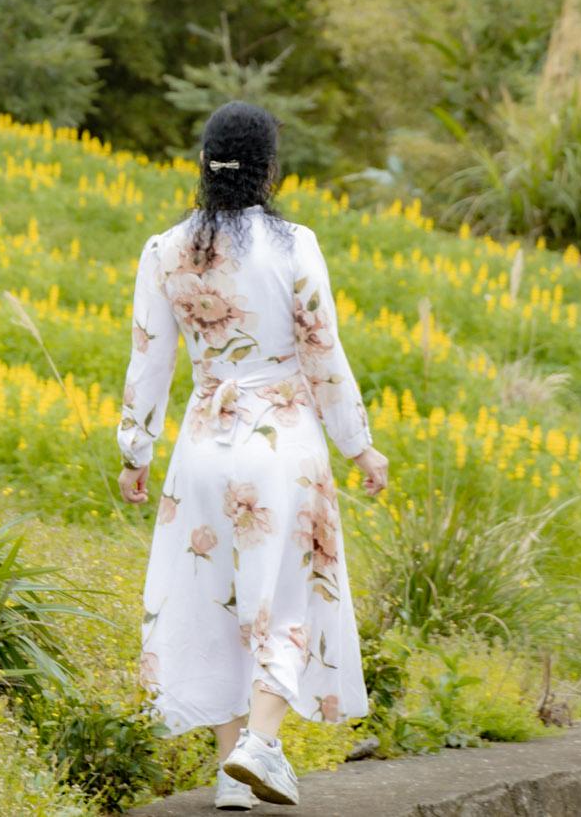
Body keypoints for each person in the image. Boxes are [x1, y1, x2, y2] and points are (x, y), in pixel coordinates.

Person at [116, 100, 390, 809]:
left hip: (204, 444)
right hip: (282, 441)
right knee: (291, 588)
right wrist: (359, 445)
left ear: (203, 165)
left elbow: (149, 359)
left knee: (220, 597)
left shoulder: (163, 250)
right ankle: (262, 743)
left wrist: (134, 450)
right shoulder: (295, 244)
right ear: (271, 167)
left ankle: (228, 774)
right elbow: (323, 354)